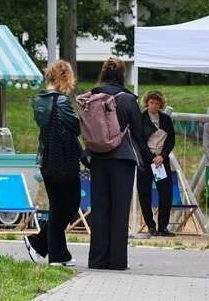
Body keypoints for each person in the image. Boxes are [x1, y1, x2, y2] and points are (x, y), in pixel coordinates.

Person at [84, 58, 147, 271]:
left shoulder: (92, 96)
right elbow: (138, 132)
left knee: (100, 209)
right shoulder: (128, 99)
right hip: (122, 158)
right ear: (122, 75)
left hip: (98, 158)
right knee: (120, 211)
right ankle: (117, 260)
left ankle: (97, 259)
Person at [25, 60, 83, 267]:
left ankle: (58, 253)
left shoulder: (39, 100)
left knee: (58, 206)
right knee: (70, 204)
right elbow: (75, 128)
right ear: (65, 78)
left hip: (46, 159)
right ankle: (43, 245)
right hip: (64, 160)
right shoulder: (60, 102)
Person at [136, 90, 177, 236]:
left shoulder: (165, 119)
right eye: (151, 102)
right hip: (146, 161)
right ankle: (150, 225)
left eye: (157, 103)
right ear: (147, 102)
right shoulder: (141, 118)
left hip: (161, 160)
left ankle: (163, 226)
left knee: (166, 193)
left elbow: (171, 140)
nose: (153, 105)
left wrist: (162, 156)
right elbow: (139, 140)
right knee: (144, 193)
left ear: (161, 104)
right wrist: (152, 156)